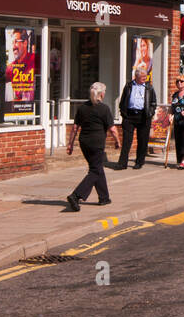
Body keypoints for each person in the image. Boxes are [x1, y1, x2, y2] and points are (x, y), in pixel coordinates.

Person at [65, 82, 118, 211]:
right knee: (95, 170)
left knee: (97, 167)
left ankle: (104, 197)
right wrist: (118, 141)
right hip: (97, 143)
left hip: (84, 143)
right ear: (102, 94)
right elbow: (112, 129)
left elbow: (75, 128)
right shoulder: (104, 109)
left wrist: (70, 144)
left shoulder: (82, 107)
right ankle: (76, 195)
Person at [116, 64, 157, 169]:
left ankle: (139, 162)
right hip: (129, 116)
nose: (145, 79)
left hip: (143, 116)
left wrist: (150, 113)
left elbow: (153, 103)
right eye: (143, 77)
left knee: (142, 140)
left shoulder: (149, 87)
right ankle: (122, 163)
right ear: (137, 77)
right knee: (126, 141)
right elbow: (123, 100)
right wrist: (123, 113)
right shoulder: (129, 86)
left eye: (146, 77)